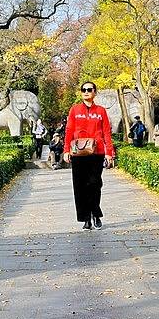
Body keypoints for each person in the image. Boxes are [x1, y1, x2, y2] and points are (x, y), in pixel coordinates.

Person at [63, 81, 115, 229]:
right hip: (78, 153)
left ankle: (96, 214)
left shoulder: (101, 111)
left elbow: (106, 133)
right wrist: (66, 150)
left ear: (95, 92)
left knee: (95, 184)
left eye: (89, 89)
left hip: (97, 153)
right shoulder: (74, 110)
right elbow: (69, 131)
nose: (86, 92)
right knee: (80, 187)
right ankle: (86, 218)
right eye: (83, 90)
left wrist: (109, 153)